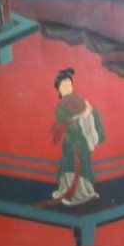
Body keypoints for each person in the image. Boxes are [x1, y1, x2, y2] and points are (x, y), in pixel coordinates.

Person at [50, 68, 104, 207]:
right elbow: (66, 125)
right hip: (72, 142)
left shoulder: (79, 100)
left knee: (84, 166)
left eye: (69, 84)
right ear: (58, 89)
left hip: (83, 142)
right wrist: (83, 116)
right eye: (63, 85)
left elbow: (90, 113)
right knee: (71, 167)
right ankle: (71, 194)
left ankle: (86, 192)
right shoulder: (61, 107)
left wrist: (92, 112)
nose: (67, 87)